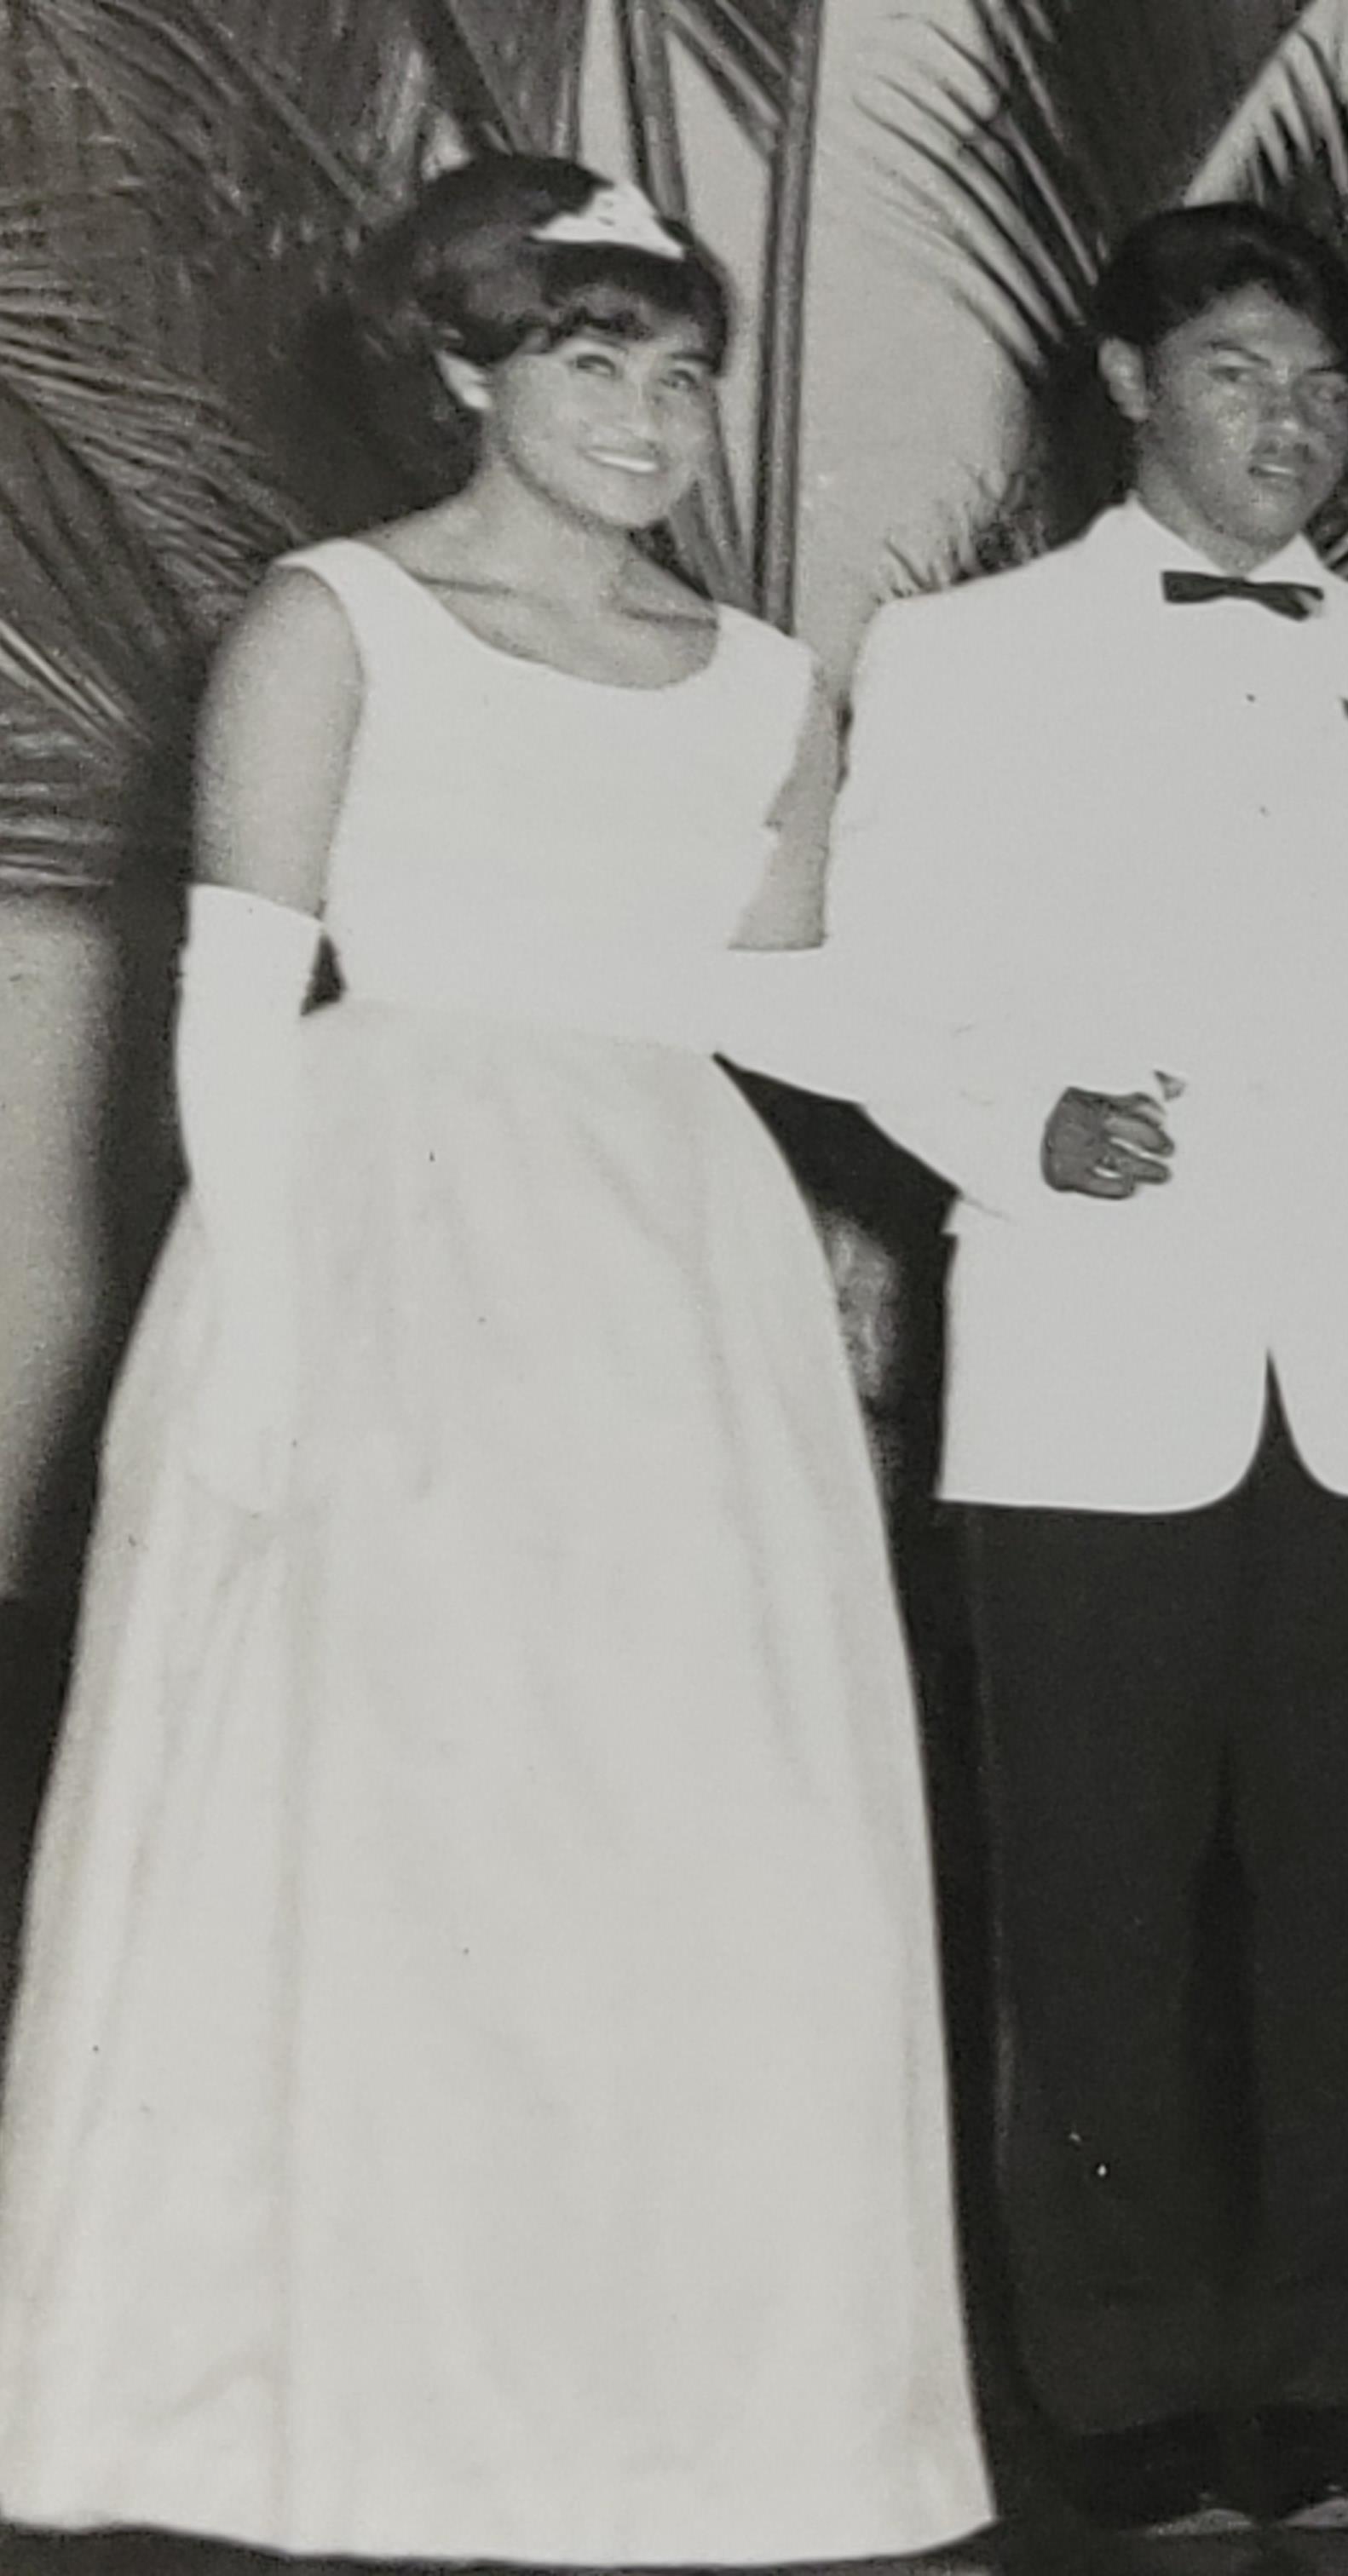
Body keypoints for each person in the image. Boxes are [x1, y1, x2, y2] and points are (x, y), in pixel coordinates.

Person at [0, 157, 990, 2563]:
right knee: (426, 1822)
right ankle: (355, 2408)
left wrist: (1018, 1130)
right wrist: (262, 1350)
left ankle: (676, 2414)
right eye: (589, 361)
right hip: (398, 1232)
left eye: (683, 373)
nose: (650, 416)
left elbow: (784, 999)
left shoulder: (764, 679)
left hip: (677, 1271)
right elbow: (236, 1007)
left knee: (683, 1823)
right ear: (463, 370)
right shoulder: (336, 619)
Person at [822, 202, 1348, 2537]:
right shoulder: (964, 657)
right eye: (1241, 370)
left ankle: (1335, 2381)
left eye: (1323, 382)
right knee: (1096, 1910)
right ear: (1130, 386)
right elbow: (878, 984)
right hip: (1095, 1365)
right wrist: (1015, 1122)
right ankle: (1131, 2389)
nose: (1292, 419)